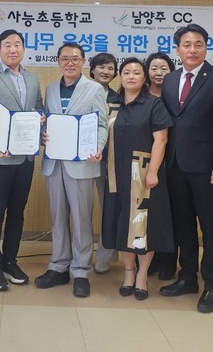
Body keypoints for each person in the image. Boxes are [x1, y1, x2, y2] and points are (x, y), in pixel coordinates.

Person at [159, 23, 213, 313]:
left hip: (208, 168)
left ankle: (212, 285)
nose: (192, 50)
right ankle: (188, 277)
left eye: (198, 44)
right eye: (187, 45)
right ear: (177, 49)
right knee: (183, 225)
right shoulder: (170, 79)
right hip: (175, 165)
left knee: (211, 228)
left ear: (206, 47)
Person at [36, 43, 108, 298]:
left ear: (83, 61)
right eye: (65, 59)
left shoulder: (94, 89)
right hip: (54, 162)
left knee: (81, 219)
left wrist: (98, 147)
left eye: (75, 59)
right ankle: (58, 266)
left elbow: (101, 125)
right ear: (58, 62)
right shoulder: (51, 89)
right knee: (57, 218)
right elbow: (47, 121)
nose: (69, 63)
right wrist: (42, 134)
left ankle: (81, 271)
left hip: (81, 164)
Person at [0, 29, 44, 291]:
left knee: (17, 212)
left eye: (17, 44)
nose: (13, 49)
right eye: (7, 45)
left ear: (23, 49)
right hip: (0, 158)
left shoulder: (32, 78)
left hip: (26, 157)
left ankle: (10, 261)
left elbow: (38, 107)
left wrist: (40, 118)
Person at [102, 57, 173, 301]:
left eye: (136, 73)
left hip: (143, 174)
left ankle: (142, 275)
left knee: (142, 225)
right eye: (126, 72)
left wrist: (153, 172)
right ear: (120, 76)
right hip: (115, 173)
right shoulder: (112, 104)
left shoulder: (154, 104)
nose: (131, 76)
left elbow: (161, 140)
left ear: (144, 79)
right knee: (123, 223)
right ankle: (129, 273)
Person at [145, 51, 177, 280]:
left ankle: (168, 261)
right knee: (148, 213)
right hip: (144, 161)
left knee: (169, 213)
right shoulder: (139, 93)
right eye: (154, 68)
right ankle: (149, 260)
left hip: (172, 161)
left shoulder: (175, 94)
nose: (158, 73)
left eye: (163, 68)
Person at [88, 53, 120, 274]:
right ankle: (78, 253)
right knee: (81, 208)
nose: (106, 71)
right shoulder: (82, 93)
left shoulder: (120, 99)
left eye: (110, 68)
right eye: (101, 67)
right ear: (92, 70)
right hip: (81, 159)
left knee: (108, 207)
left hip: (109, 161)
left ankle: (105, 255)